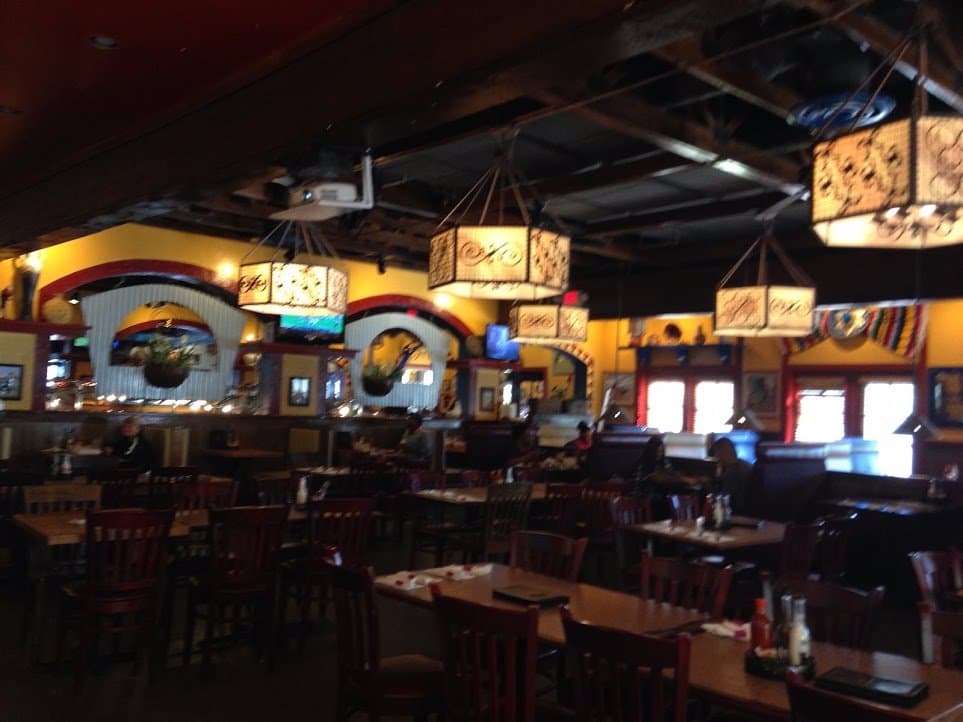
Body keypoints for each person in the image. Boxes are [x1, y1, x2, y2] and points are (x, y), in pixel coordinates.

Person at [709, 437, 753, 515]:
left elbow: (721, 500)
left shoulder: (734, 473)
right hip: (750, 514)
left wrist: (707, 485)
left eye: (716, 453)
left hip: (738, 516)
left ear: (722, 453)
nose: (716, 457)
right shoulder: (745, 465)